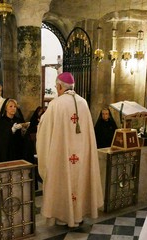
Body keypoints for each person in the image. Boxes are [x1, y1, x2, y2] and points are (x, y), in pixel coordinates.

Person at [36, 72, 103, 227]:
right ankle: (78, 215)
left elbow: (45, 130)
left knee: (62, 181)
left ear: (60, 86)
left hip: (62, 155)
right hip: (82, 154)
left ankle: (63, 216)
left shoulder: (56, 104)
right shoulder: (83, 103)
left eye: (56, 86)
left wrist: (40, 124)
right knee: (80, 180)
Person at [0, 98, 29, 163]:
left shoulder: (18, 120)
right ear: (6, 108)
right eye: (10, 106)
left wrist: (23, 130)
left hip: (17, 151)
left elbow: (22, 139)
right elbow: (0, 139)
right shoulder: (1, 121)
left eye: (15, 107)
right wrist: (12, 130)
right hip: (6, 153)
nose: (13, 108)